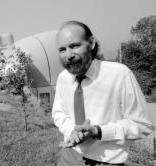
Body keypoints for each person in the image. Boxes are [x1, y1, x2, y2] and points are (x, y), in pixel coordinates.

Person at [52, 21, 154, 166]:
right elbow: (58, 113)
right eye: (62, 49)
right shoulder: (63, 78)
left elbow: (142, 125)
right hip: (68, 156)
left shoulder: (120, 74)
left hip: (104, 162)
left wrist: (98, 131)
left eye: (75, 46)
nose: (68, 55)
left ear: (91, 43)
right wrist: (71, 131)